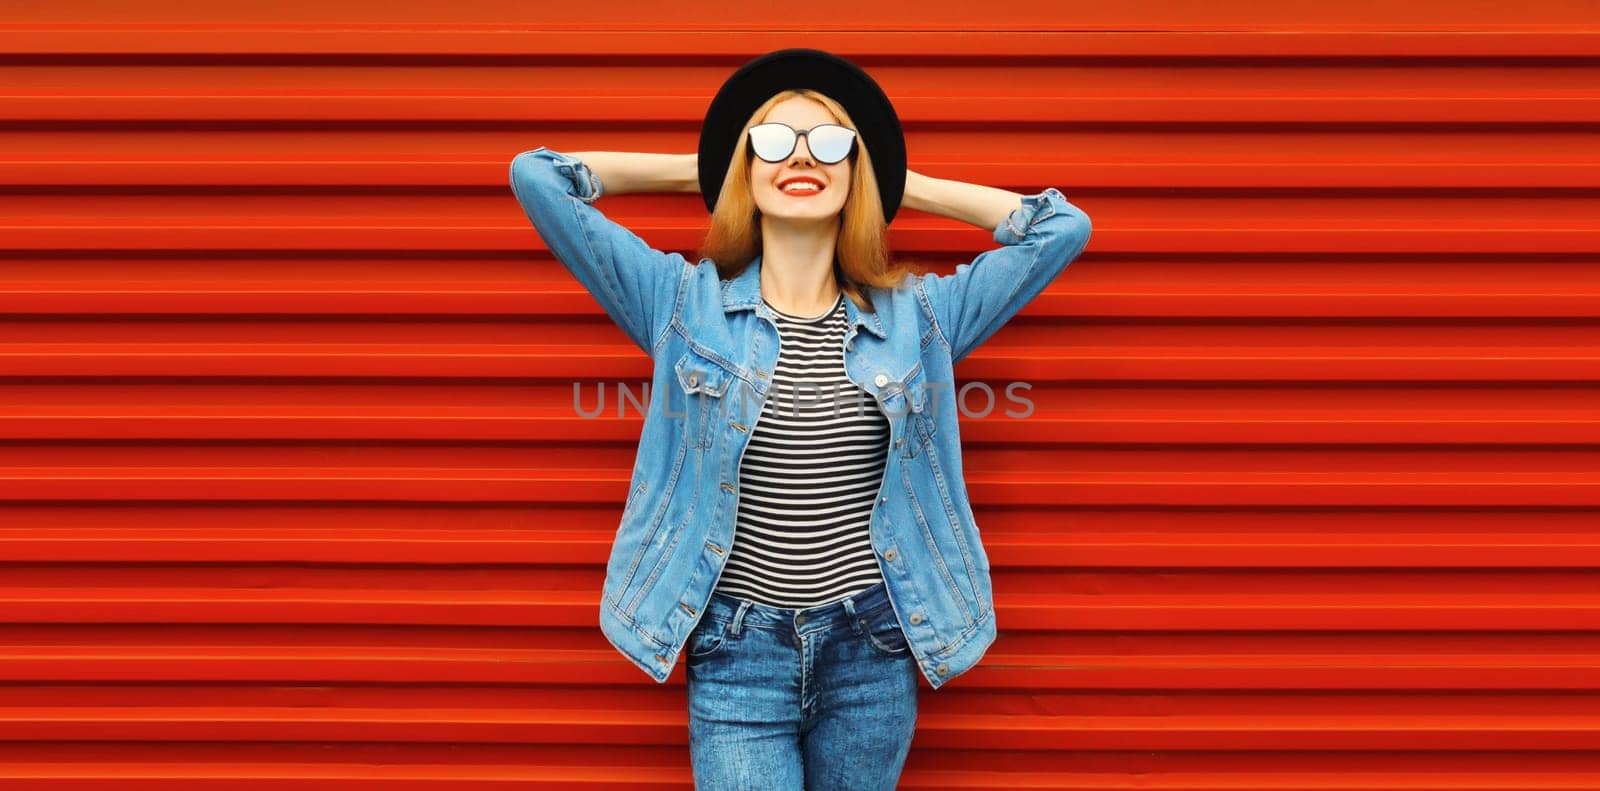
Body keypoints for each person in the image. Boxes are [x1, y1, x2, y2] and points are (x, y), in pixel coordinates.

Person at [509, 48, 1092, 791]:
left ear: (857, 172)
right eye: (774, 142)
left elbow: (1060, 227)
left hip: (872, 649)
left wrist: (895, 181)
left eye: (830, 143)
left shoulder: (922, 318)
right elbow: (537, 176)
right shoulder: (680, 304)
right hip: (738, 652)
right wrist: (713, 165)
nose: (801, 157)